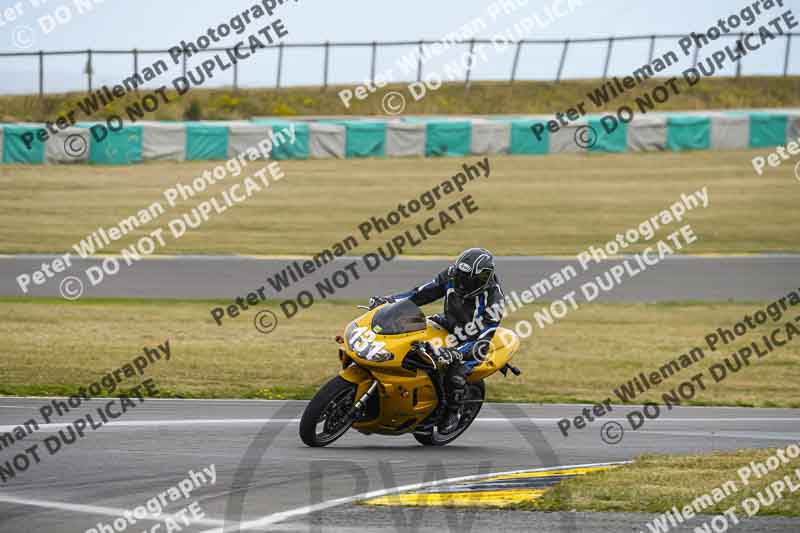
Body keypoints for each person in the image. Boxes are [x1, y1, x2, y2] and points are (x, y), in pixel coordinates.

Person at [369, 247, 504, 434]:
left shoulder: (494, 301)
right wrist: (389, 301)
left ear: (482, 279)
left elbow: (483, 338)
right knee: (406, 336)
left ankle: (452, 411)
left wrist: (458, 352)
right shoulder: (451, 276)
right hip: (447, 322)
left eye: (467, 279)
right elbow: (421, 294)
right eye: (460, 276)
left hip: (472, 342)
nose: (461, 282)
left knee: (455, 373)